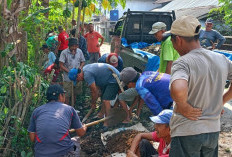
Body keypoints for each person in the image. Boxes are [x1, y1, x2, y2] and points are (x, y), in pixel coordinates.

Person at [169, 15, 232, 157]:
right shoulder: (220, 58)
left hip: (187, 132)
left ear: (178, 39)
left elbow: (178, 89)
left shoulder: (183, 62)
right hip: (212, 132)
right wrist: (221, 101)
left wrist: (183, 106)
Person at [28, 84, 87, 157]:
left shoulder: (37, 111)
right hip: (63, 153)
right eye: (64, 95)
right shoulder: (69, 109)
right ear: (60, 96)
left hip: (40, 154)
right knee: (76, 141)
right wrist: (84, 127)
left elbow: (32, 138)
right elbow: (80, 133)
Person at [59, 38, 85, 105]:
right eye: (72, 46)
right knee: (67, 94)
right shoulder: (64, 53)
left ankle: (73, 107)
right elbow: (61, 65)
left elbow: (83, 61)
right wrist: (69, 71)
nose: (74, 48)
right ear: (69, 46)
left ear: (77, 46)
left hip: (77, 76)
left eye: (75, 46)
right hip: (67, 77)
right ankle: (67, 107)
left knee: (75, 93)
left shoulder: (79, 51)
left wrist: (80, 67)